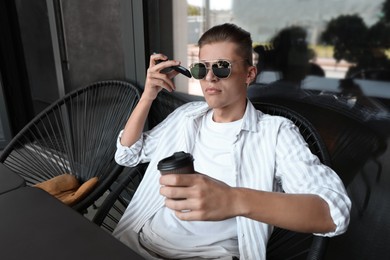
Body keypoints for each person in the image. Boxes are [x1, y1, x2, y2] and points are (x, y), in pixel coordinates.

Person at [113, 23, 351, 260]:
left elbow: (333, 213)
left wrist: (234, 199)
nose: (209, 77)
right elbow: (128, 154)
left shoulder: (275, 133)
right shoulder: (186, 117)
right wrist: (148, 96)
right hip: (139, 241)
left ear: (249, 74)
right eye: (201, 68)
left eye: (222, 67)